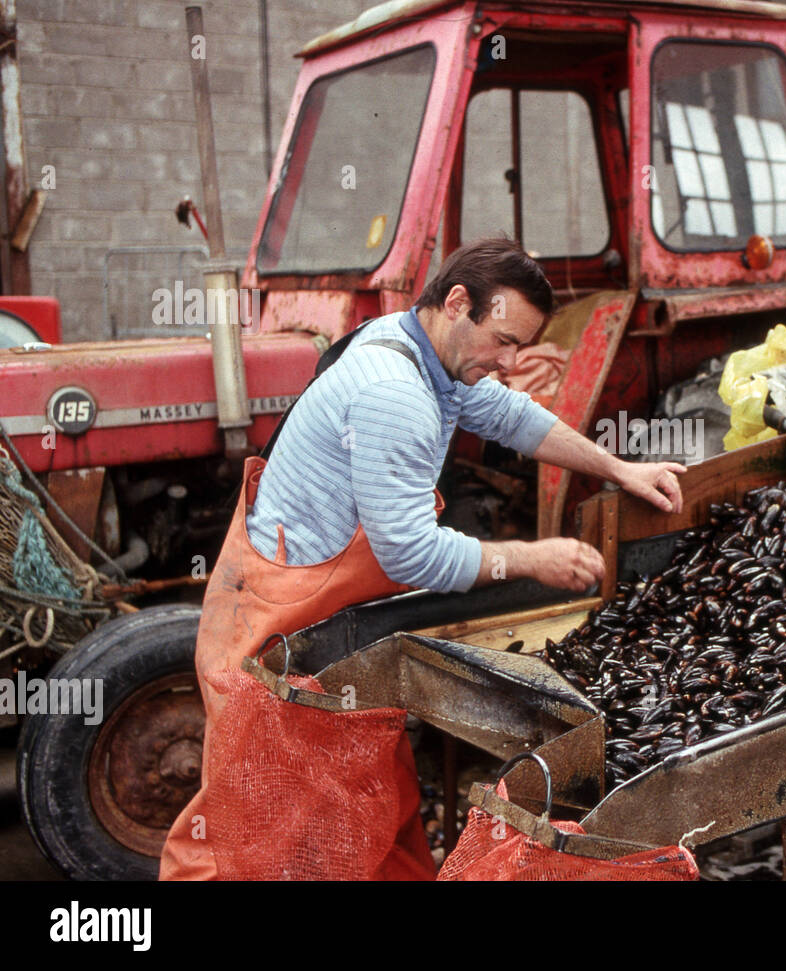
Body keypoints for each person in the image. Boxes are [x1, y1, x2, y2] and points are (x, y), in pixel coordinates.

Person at [158, 238, 685, 879]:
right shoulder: (394, 393)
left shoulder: (424, 347)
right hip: (278, 633)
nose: (511, 361)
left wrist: (617, 467)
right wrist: (531, 557)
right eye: (505, 340)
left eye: (521, 346)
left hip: (319, 614)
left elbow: (512, 416)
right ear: (458, 302)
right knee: (262, 833)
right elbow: (409, 554)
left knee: (366, 816)